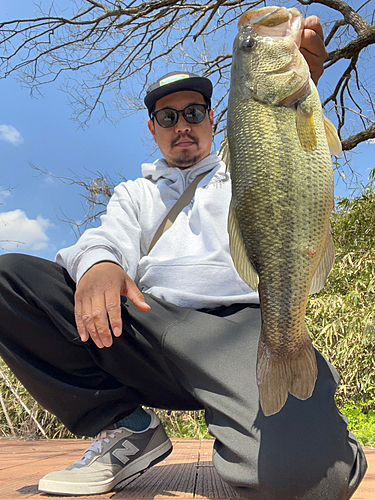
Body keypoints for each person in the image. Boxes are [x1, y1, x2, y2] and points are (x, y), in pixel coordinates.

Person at [0, 16, 367, 500]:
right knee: (10, 280)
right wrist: (100, 264)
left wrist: (300, 91)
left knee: (310, 485)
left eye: (194, 112)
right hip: (147, 329)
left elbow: (290, 162)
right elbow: (105, 237)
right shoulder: (135, 193)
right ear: (153, 129)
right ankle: (127, 427)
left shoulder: (245, 160)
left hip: (243, 329)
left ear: (216, 119)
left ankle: (317, 433)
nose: (182, 126)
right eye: (168, 118)